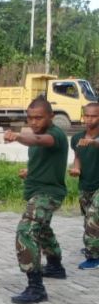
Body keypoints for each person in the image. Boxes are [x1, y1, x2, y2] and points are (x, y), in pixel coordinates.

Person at [5, 97, 69, 304]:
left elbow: (40, 141)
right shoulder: (38, 134)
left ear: (51, 116)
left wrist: (17, 136)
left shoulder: (54, 135)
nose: (33, 122)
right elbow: (43, 157)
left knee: (26, 231)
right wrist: (30, 172)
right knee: (42, 229)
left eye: (39, 118)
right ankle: (55, 265)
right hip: (37, 190)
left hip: (48, 194)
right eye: (30, 118)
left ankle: (36, 286)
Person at [70, 102, 99, 270]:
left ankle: (93, 256)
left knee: (93, 218)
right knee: (88, 218)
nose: (89, 119)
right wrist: (76, 168)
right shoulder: (76, 138)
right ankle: (94, 245)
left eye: (94, 116)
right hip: (85, 184)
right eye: (86, 115)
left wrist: (94, 143)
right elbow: (78, 156)